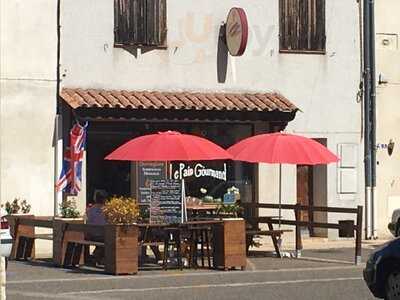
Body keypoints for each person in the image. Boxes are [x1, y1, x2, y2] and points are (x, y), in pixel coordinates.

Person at [86, 190, 108, 265]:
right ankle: (98, 256)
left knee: (105, 240)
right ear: (104, 199)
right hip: (103, 235)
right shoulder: (107, 210)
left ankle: (97, 256)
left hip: (92, 234)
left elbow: (88, 221)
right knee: (111, 239)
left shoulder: (91, 209)